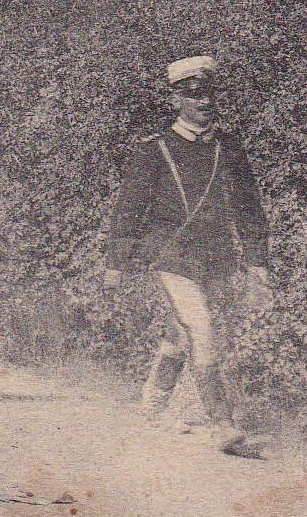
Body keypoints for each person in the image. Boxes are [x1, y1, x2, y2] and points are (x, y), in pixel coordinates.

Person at [105, 55, 270, 459]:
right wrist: (116, 263)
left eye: (209, 94)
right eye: (195, 95)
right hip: (171, 258)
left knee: (181, 334)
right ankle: (223, 425)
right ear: (176, 98)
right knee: (202, 329)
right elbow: (128, 209)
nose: (205, 102)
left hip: (216, 259)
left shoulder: (229, 148)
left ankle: (155, 403)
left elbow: (250, 209)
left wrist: (256, 263)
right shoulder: (155, 150)